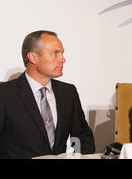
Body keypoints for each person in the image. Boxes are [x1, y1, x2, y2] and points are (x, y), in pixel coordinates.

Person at [0, 30, 95, 159]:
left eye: (62, 53)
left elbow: (82, 136)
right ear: (33, 57)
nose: (63, 59)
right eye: (55, 53)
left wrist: (80, 157)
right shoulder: (5, 94)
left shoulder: (68, 92)